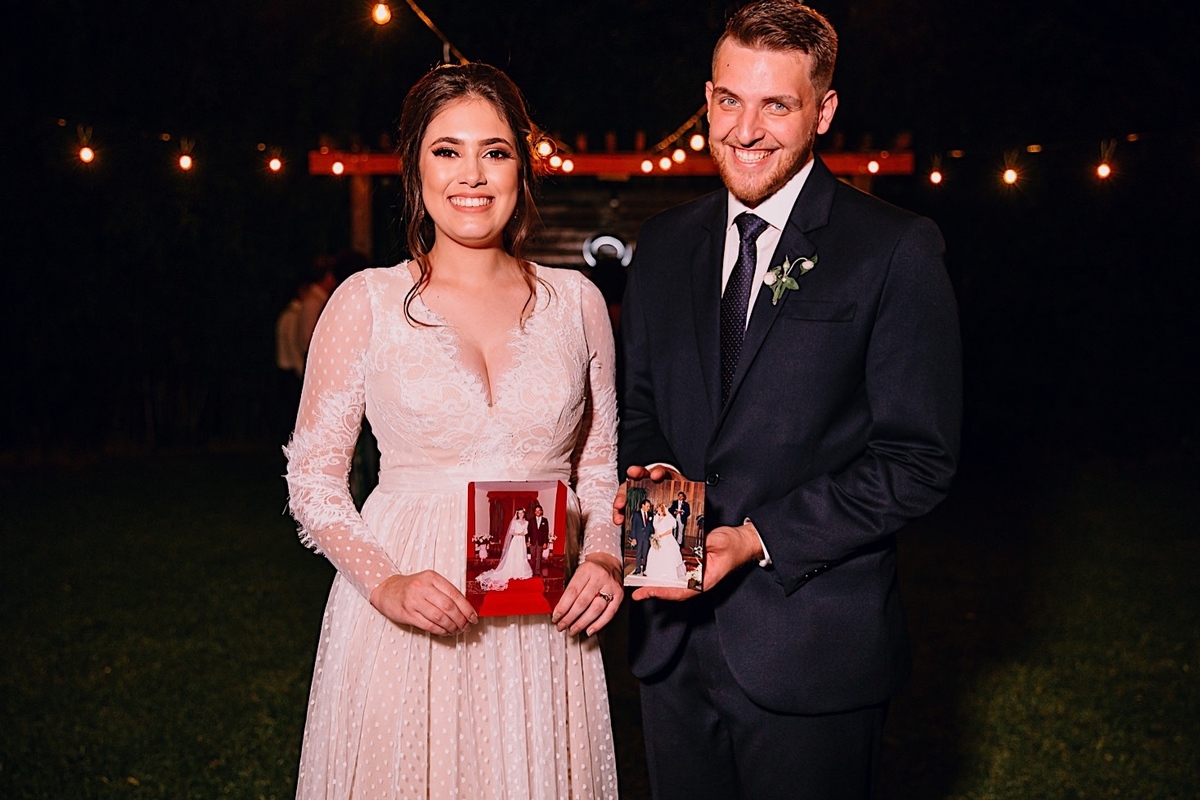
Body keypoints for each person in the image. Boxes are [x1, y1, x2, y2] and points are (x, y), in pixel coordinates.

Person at [614, 3, 962, 798]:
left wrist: (755, 539)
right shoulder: (665, 244)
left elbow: (918, 460)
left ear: (823, 111)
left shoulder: (895, 248)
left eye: (777, 104)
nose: (746, 129)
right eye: (730, 100)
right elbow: (642, 407)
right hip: (670, 651)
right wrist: (661, 506)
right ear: (707, 99)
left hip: (814, 650)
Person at [285, 62, 624, 799]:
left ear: (521, 169)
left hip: (541, 622)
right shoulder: (366, 301)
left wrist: (601, 558)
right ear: (415, 167)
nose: (472, 174)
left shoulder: (578, 301)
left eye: (495, 151)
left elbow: (597, 467)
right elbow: (312, 478)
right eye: (447, 151)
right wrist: (386, 584)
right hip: (410, 608)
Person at [476, 508, 533, 590]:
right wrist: (518, 533)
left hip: (522, 541)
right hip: (516, 540)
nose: (521, 515)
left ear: (524, 513)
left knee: (521, 556)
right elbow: (511, 532)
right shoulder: (514, 522)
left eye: (522, 513)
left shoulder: (526, 522)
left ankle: (521, 571)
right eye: (519, 513)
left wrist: (524, 535)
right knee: (513, 556)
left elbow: (527, 532)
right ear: (517, 514)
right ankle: (511, 571)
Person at [645, 502, 688, 585]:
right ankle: (655, 573)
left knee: (666, 555)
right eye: (657, 508)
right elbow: (656, 528)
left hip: (666, 539)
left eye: (658, 508)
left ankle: (666, 573)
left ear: (662, 509)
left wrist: (661, 535)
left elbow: (669, 531)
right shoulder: (656, 517)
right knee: (654, 554)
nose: (657, 509)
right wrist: (655, 536)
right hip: (658, 538)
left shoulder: (667, 518)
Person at [630, 498, 654, 576]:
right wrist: (633, 538)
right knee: (638, 553)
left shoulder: (650, 514)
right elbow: (633, 527)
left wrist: (652, 535)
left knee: (645, 553)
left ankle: (645, 569)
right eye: (647, 506)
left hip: (646, 537)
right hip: (639, 537)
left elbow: (651, 526)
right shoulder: (636, 514)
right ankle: (637, 569)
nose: (648, 508)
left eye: (649, 506)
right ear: (643, 505)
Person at [528, 503, 550, 574]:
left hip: (541, 541)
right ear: (534, 512)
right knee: (532, 556)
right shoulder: (531, 520)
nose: (537, 512)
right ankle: (532, 570)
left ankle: (537, 572)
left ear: (541, 511)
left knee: (539, 557)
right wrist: (527, 541)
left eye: (539, 510)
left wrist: (545, 542)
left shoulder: (545, 520)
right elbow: (528, 531)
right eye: (536, 511)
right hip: (532, 541)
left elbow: (546, 532)